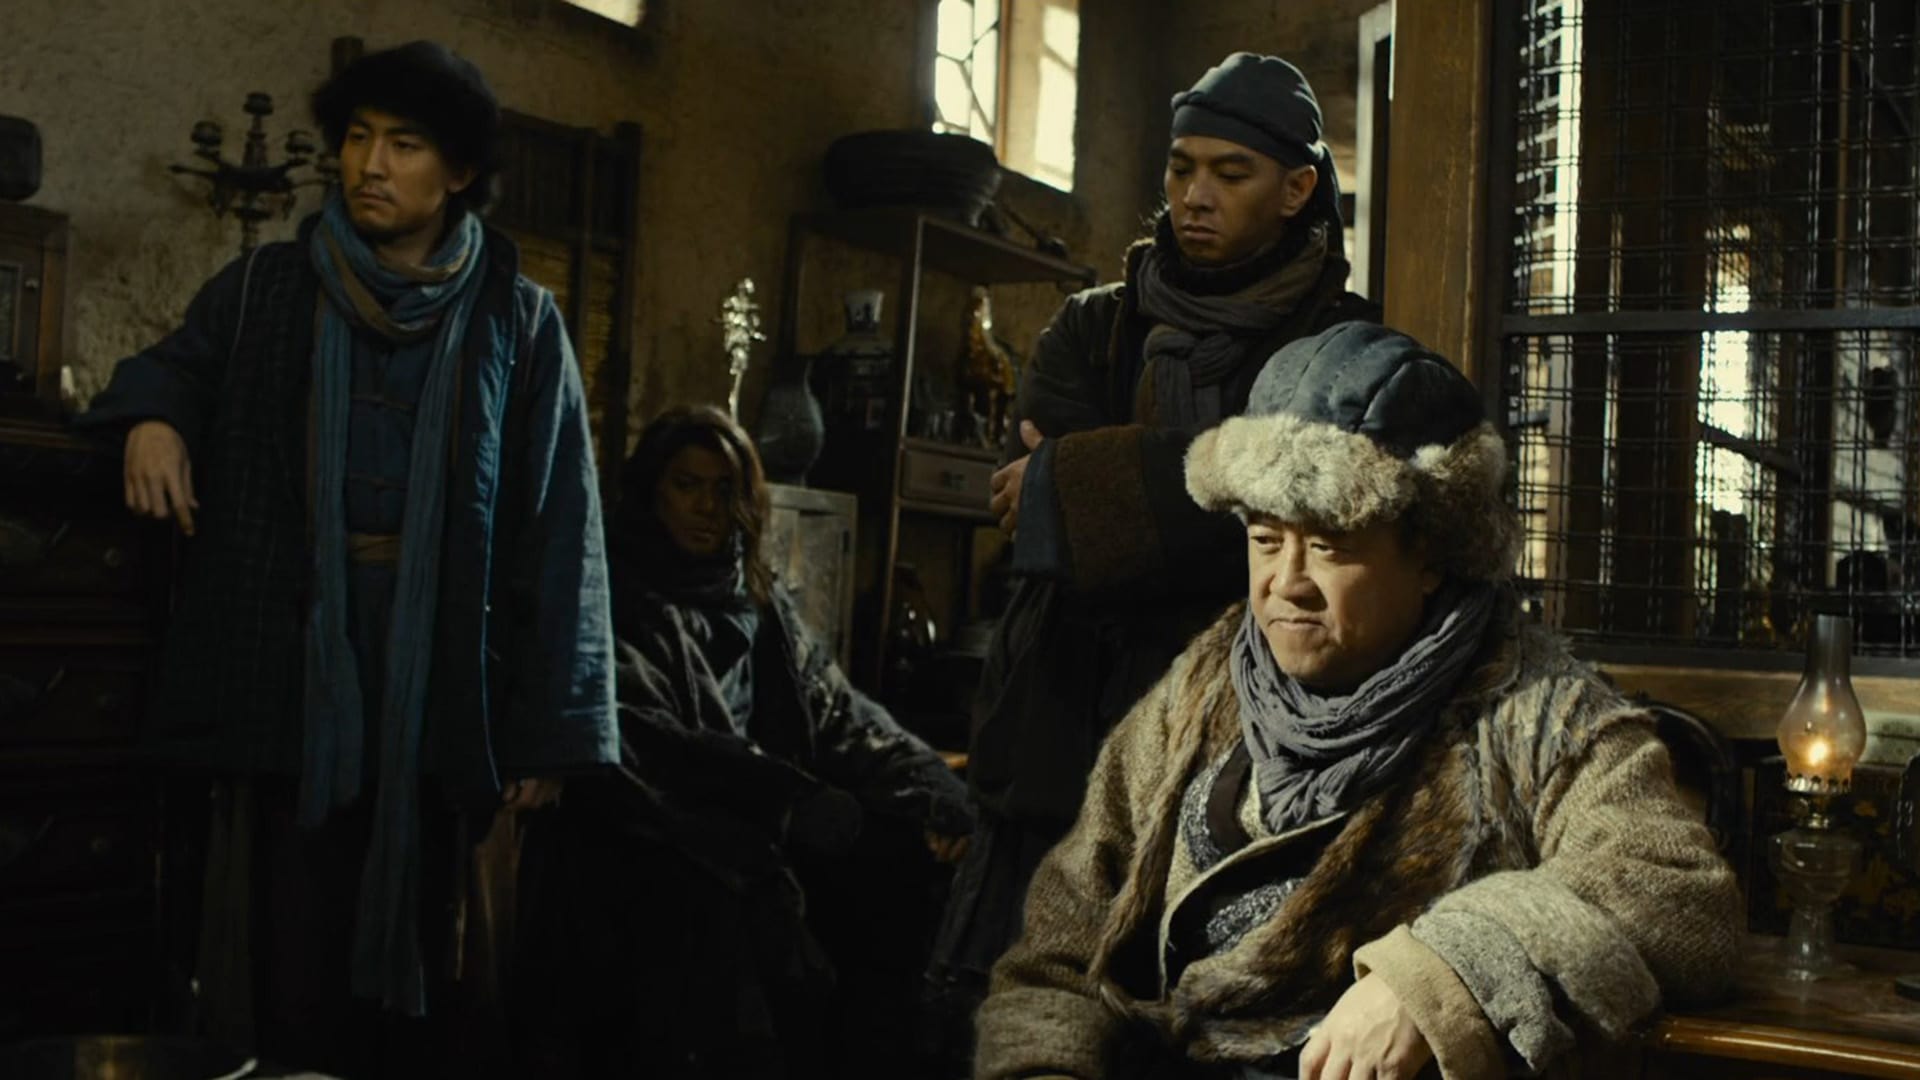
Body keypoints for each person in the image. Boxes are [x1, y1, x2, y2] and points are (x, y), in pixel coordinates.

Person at [973, 323, 1741, 1080]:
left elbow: (1680, 899)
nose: (1287, 583)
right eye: (1265, 540)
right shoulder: (1201, 688)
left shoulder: (1540, 713)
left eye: (1329, 546)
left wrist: (1444, 973)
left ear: (1432, 555)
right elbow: (1061, 948)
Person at [75, 41, 617, 1077]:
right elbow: (166, 369)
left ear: (458, 171)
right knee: (289, 953)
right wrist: (154, 420)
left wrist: (553, 729)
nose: (370, 164)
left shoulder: (518, 318)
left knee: (445, 979)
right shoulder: (267, 289)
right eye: (358, 138)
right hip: (294, 669)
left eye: (404, 144)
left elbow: (562, 524)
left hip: (449, 679)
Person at [932, 52, 1379, 1019]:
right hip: (1060, 734)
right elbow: (1036, 515)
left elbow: (1306, 526)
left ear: (1296, 188)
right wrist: (1221, 483)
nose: (1195, 195)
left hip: (1241, 753)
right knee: (1032, 1023)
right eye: (1182, 168)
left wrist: (1088, 483)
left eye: (1230, 172)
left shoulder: (1341, 348)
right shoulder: (1090, 330)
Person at [515, 404, 977, 1079]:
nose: (707, 507)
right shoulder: (616, 594)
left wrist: (937, 792)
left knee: (904, 867)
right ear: (652, 492)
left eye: (724, 489)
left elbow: (842, 715)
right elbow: (651, 743)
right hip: (649, 841)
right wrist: (790, 800)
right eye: (687, 485)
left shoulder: (757, 603)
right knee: (721, 919)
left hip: (760, 825)